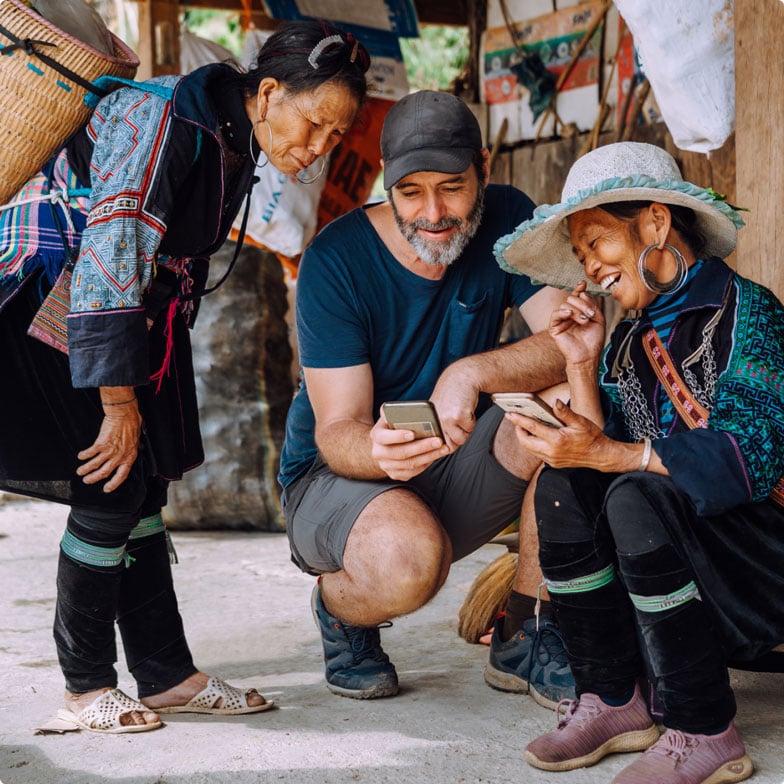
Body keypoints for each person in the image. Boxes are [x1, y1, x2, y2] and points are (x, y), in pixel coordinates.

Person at [0, 20, 370, 734]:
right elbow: (113, 246)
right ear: (267, 93)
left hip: (131, 311)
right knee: (108, 480)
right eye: (315, 124)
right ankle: (83, 688)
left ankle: (166, 675)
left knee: (142, 489)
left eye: (336, 137)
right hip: (60, 290)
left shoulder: (232, 135)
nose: (320, 148)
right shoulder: (166, 117)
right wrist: (118, 401)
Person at [493, 141, 784, 783]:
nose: (591, 268)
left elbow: (750, 459)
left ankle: (704, 728)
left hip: (765, 564)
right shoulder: (629, 338)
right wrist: (579, 361)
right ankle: (614, 698)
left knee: (635, 495)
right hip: (693, 550)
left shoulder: (748, 311)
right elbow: (601, 453)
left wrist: (609, 453)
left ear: (655, 222)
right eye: (582, 254)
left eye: (597, 242)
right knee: (565, 484)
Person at [278, 89, 576, 705]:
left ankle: (526, 624)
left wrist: (468, 373)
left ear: (485, 170)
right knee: (408, 560)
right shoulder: (335, 259)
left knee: (573, 393)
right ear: (387, 185)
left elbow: (571, 339)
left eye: (452, 187)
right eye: (411, 191)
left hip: (455, 457)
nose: (434, 211)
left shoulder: (508, 218)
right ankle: (342, 610)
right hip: (339, 477)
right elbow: (337, 432)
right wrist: (381, 454)